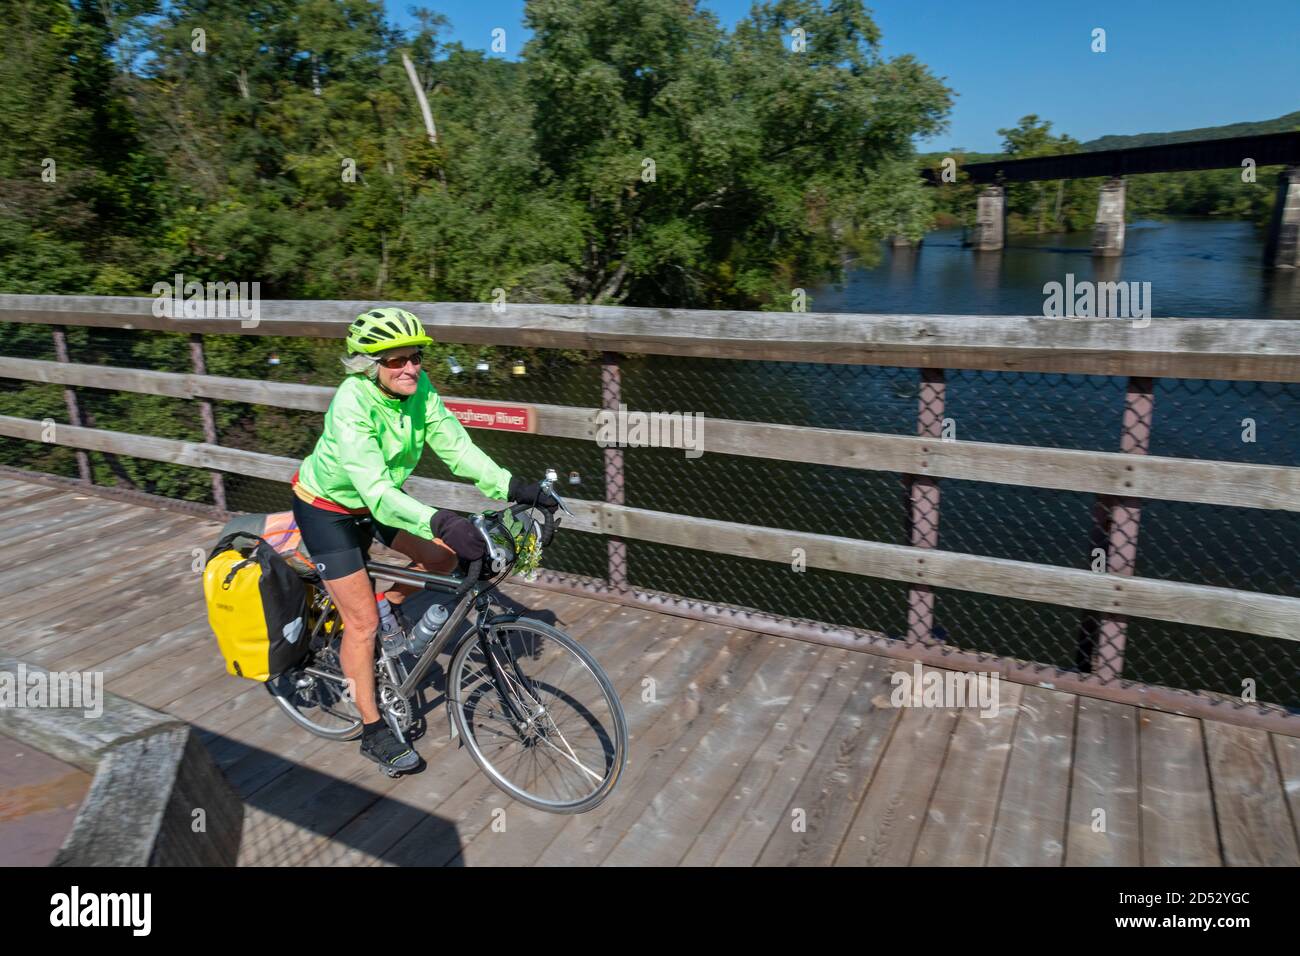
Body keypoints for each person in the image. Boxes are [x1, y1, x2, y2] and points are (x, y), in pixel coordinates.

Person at [291, 307, 555, 774]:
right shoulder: (352, 403)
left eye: (415, 357)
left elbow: (456, 446)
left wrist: (512, 486)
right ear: (369, 366)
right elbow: (373, 488)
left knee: (445, 560)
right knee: (362, 624)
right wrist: (441, 520)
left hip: (379, 501)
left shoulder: (418, 390)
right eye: (396, 361)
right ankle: (373, 732)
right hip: (328, 509)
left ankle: (390, 602)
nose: (410, 367)